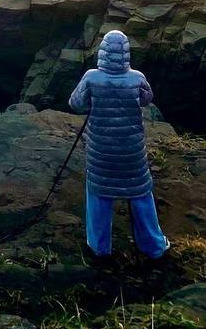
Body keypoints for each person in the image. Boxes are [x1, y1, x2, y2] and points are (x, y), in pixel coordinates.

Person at [69, 29, 169, 259]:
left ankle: (99, 247)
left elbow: (75, 104)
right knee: (141, 194)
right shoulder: (137, 78)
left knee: (98, 194)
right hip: (131, 151)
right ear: (126, 53)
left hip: (101, 151)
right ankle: (154, 247)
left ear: (102, 52)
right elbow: (147, 100)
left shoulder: (91, 77)